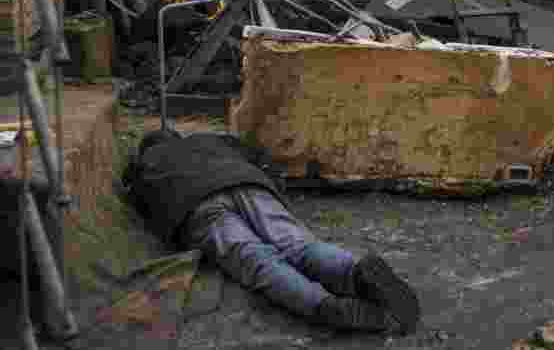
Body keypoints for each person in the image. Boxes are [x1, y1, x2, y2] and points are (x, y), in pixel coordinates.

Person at [121, 129, 420, 335]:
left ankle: (323, 306)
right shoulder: (208, 140)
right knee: (298, 245)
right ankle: (355, 273)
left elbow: (138, 197)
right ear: (176, 135)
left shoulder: (147, 164)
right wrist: (273, 183)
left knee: (257, 260)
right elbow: (257, 154)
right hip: (246, 182)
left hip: (197, 204)